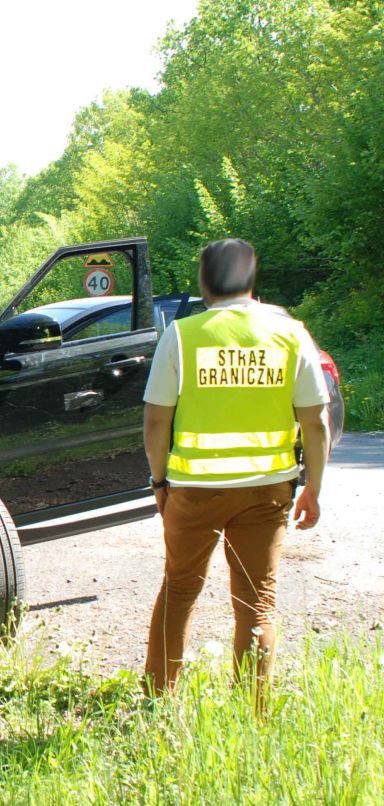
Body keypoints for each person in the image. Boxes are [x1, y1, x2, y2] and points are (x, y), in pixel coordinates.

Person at [142, 238, 330, 697]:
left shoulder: (181, 336)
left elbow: (156, 421)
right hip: (267, 491)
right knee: (257, 602)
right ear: (250, 278)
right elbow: (316, 422)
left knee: (179, 592)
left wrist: (160, 482)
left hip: (193, 491)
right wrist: (313, 487)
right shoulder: (291, 334)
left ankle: (158, 699)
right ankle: (253, 709)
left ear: (204, 282)